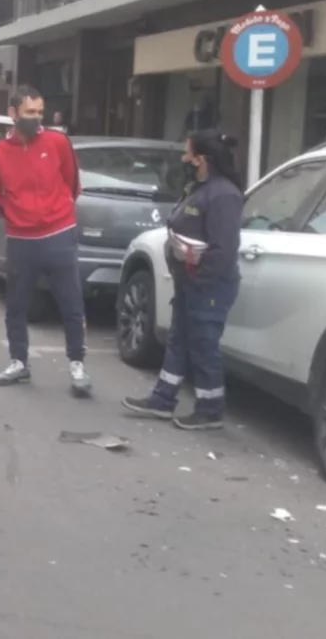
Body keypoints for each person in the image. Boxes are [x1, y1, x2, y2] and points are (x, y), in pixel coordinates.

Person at [122, 130, 244, 430]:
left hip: (208, 285)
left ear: (203, 159)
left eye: (188, 154)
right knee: (178, 340)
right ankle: (163, 399)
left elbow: (223, 249)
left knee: (204, 346)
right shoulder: (198, 188)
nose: (183, 159)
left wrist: (200, 279)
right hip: (190, 281)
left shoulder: (223, 194)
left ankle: (211, 409)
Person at [0, 86, 91, 396]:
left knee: (71, 302)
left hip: (59, 233)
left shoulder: (58, 142)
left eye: (40, 112)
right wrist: (18, 216)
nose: (37, 118)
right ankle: (19, 363)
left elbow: (72, 184)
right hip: (21, 239)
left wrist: (56, 213)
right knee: (16, 305)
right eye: (30, 112)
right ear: (14, 113)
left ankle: (77, 365)